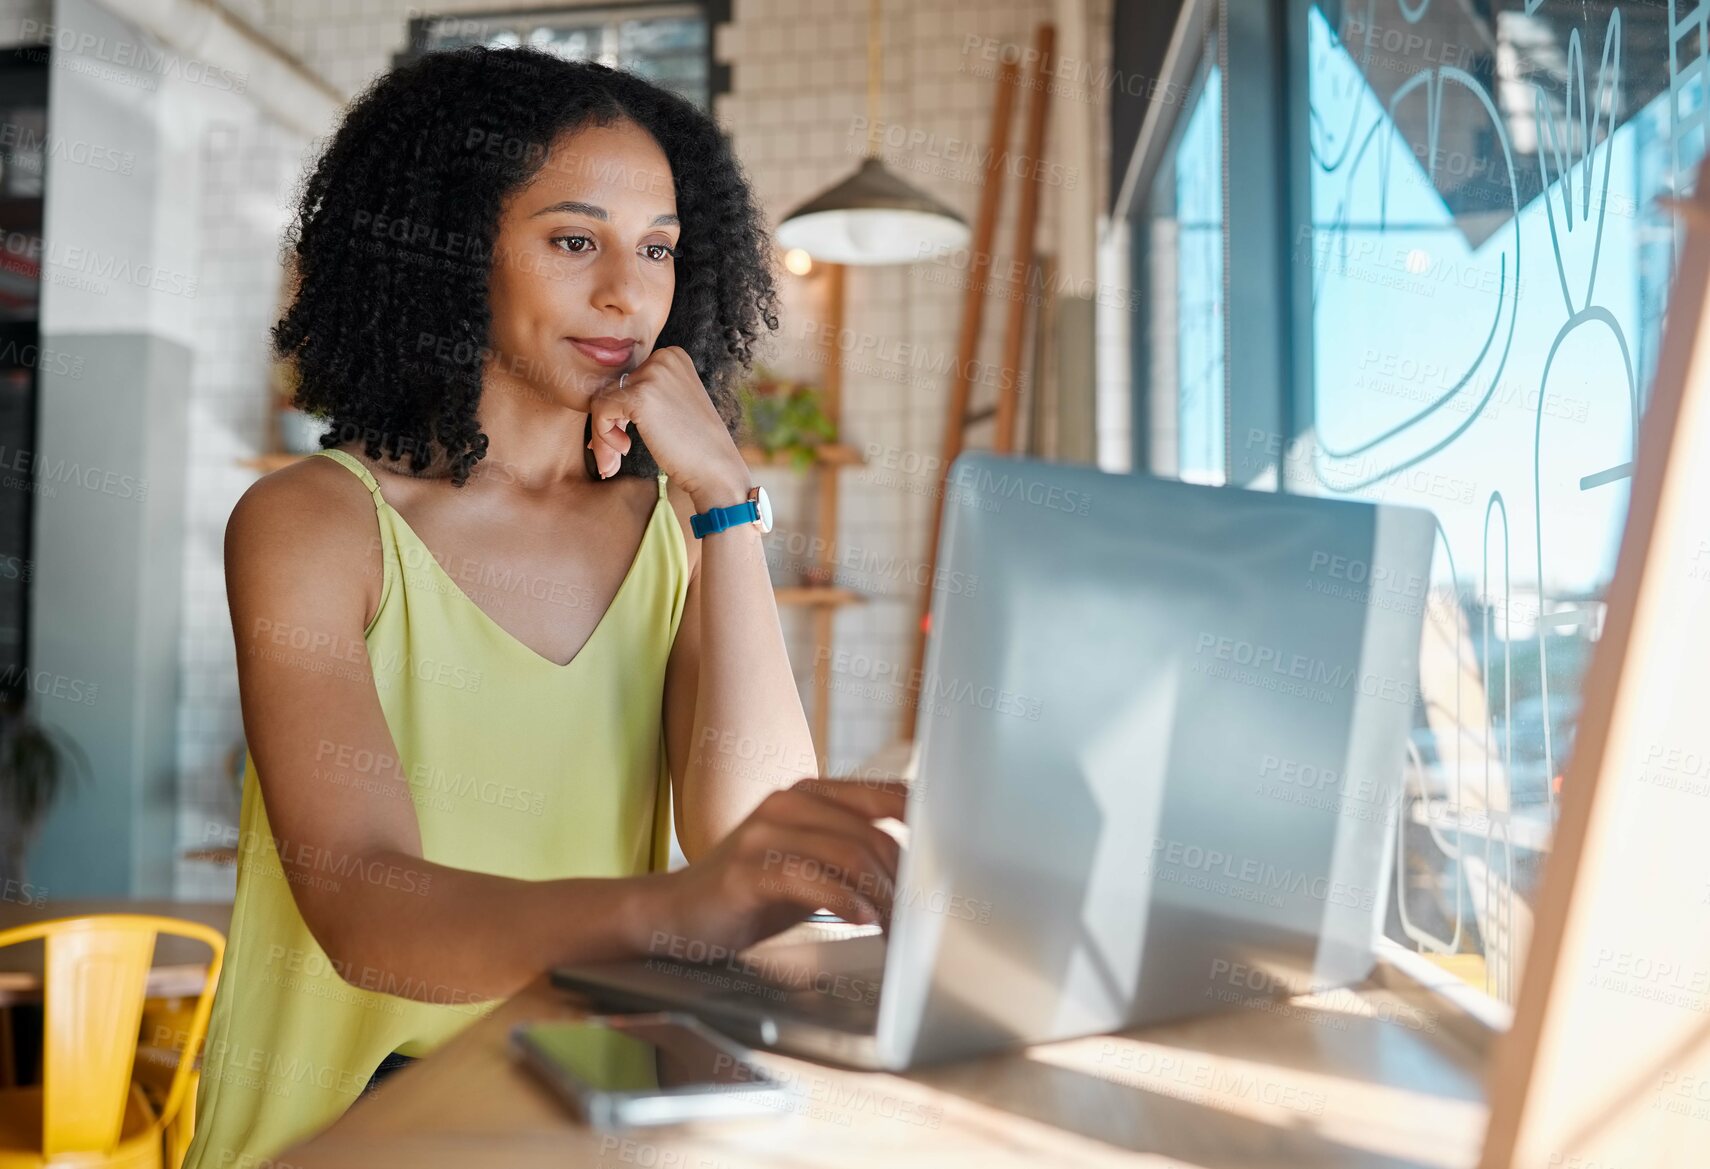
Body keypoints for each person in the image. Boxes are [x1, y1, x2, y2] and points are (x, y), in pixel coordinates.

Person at [183, 47, 904, 1168]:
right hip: (338, 1136)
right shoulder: (313, 523)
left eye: (658, 248)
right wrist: (682, 912)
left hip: (577, 1123)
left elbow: (749, 821)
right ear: (452, 247)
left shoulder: (676, 528)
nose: (628, 293)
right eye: (575, 241)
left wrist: (724, 499)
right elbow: (372, 917)